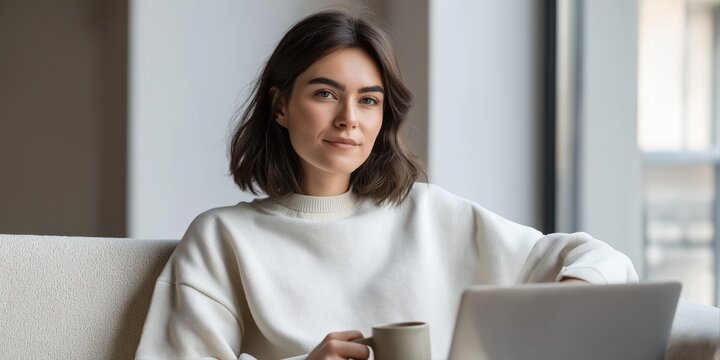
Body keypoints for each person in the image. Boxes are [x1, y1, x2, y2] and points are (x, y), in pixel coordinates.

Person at [135, 9, 638, 360]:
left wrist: (564, 300)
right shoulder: (223, 238)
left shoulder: (427, 215)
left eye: (369, 100)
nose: (348, 118)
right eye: (326, 93)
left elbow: (604, 262)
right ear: (281, 106)